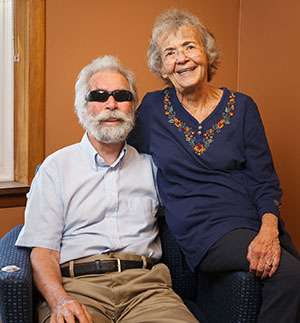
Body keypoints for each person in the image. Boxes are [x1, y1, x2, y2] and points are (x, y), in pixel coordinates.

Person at [128, 8, 300, 323]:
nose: (182, 58)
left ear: (206, 53)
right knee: (289, 276)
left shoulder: (244, 107)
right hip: (203, 230)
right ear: (162, 67)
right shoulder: (153, 109)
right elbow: (114, 145)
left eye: (190, 47)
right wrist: (62, 173)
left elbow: (264, 180)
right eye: (170, 52)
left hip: (251, 218)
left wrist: (269, 228)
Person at [16, 55, 198, 323]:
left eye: (121, 95)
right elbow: (43, 252)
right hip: (77, 288)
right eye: (99, 96)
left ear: (132, 108)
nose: (111, 104)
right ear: (83, 107)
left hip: (146, 291)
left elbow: (195, 208)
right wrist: (60, 301)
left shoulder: (154, 167)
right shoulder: (55, 168)